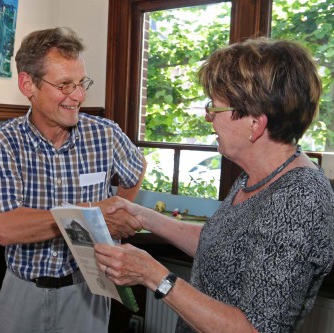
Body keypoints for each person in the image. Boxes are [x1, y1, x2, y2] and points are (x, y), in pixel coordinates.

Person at [94, 38, 334, 333]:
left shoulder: (299, 198)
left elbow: (255, 329)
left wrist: (154, 275)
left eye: (215, 108)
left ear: (255, 124)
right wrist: (142, 215)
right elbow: (219, 244)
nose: (208, 117)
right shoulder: (255, 175)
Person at [0, 27, 146, 333]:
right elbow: (7, 229)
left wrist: (117, 213)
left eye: (81, 82)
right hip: (23, 291)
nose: (78, 96)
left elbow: (137, 168)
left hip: (88, 292)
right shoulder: (5, 140)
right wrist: (95, 213)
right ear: (28, 85)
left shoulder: (105, 133)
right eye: (64, 85)